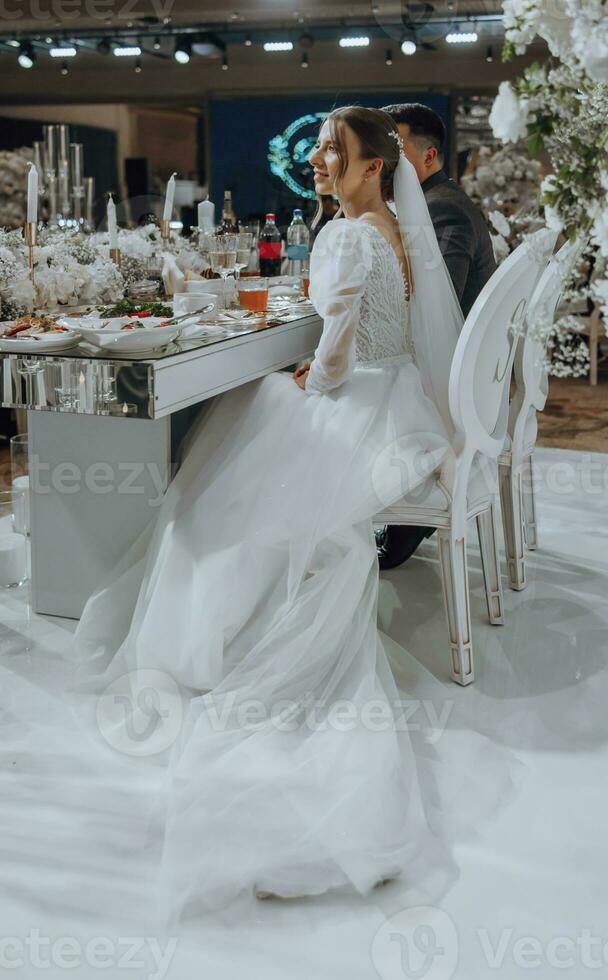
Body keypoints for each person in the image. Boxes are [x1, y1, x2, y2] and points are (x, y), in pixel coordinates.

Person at [0, 107, 513, 929]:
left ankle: (196, 629)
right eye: (316, 148)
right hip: (402, 405)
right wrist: (315, 369)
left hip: (361, 406)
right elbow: (381, 335)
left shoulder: (346, 236)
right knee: (247, 420)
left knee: (235, 440)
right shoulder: (390, 229)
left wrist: (307, 381)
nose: (316, 160)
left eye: (332, 151)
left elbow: (337, 354)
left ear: (374, 166)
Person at [376, 102, 497, 570]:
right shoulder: (429, 203)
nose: (386, 162)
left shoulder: (441, 209)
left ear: (428, 157)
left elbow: (432, 304)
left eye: (396, 150)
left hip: (452, 379)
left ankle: (408, 506)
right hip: (463, 368)